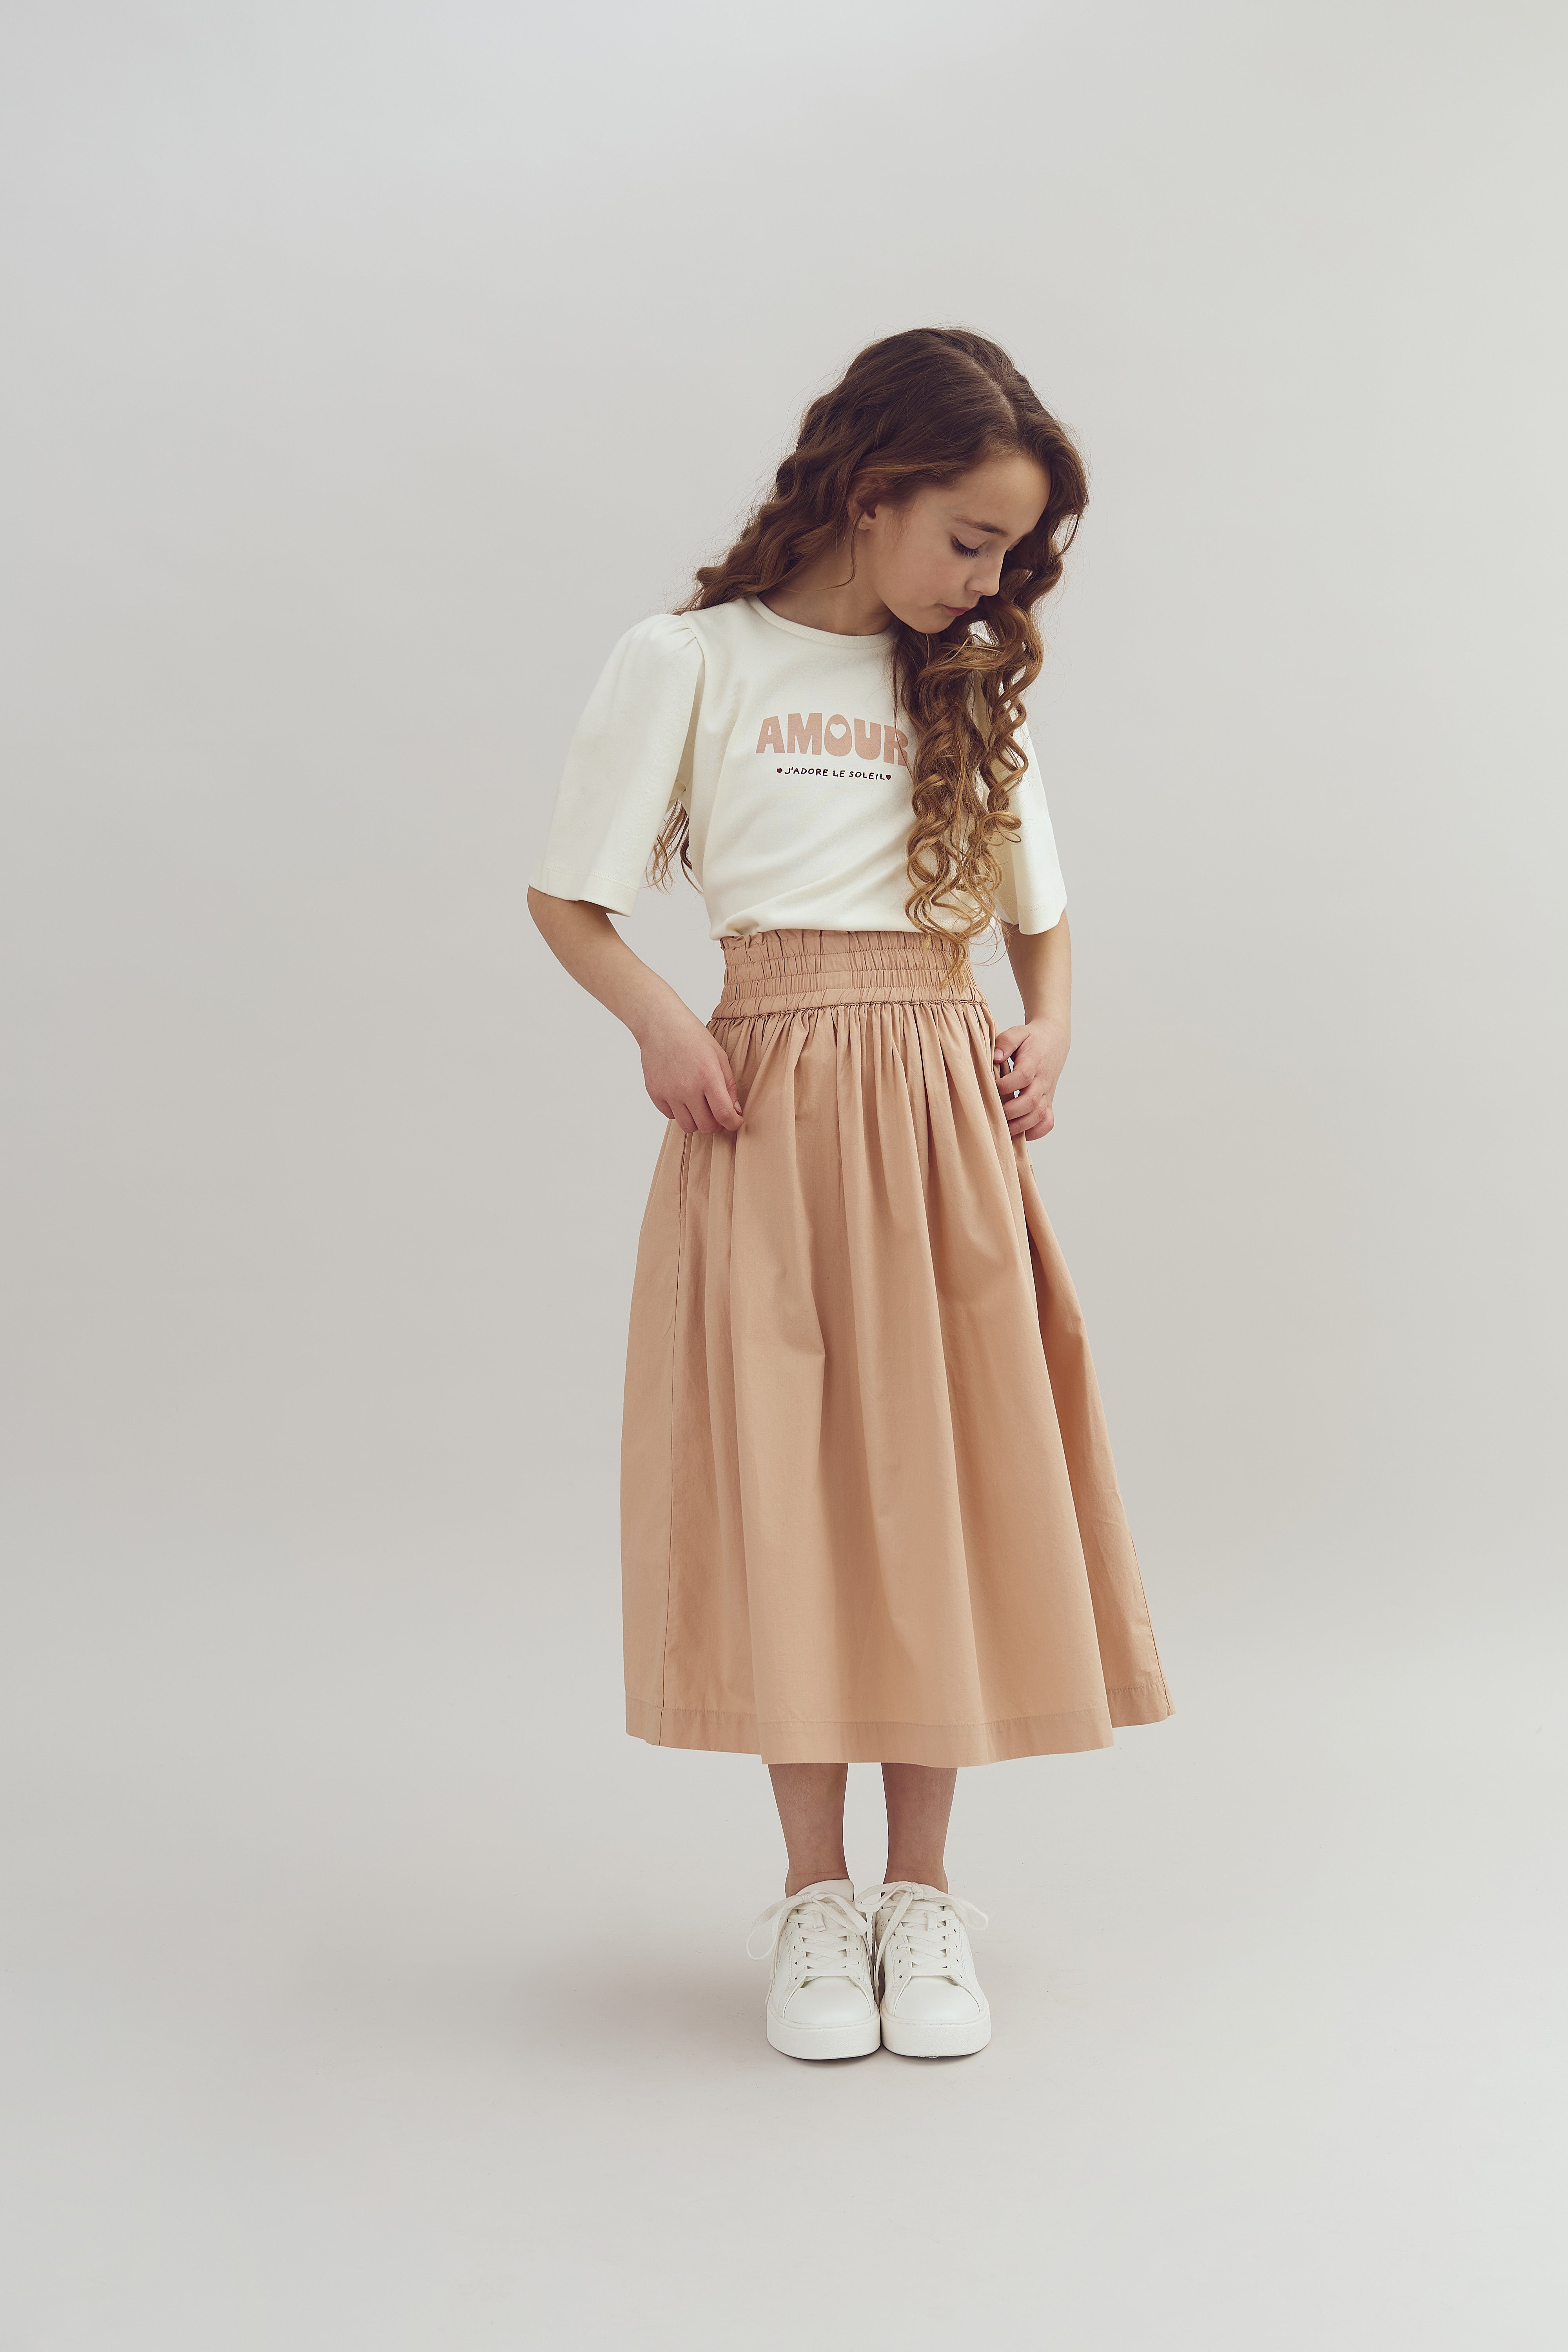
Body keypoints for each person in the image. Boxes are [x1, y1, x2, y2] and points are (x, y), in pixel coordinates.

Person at [528, 327, 1172, 2063]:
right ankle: (816, 1898)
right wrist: (663, 1021)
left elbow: (1040, 907)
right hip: (769, 1111)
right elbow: (570, 895)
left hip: (942, 1116)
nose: (989, 582)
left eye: (1010, 555)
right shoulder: (691, 660)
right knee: (794, 1483)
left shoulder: (959, 681)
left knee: (936, 1476)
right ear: (871, 490)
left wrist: (1049, 1026)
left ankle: (924, 1894)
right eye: (970, 538)